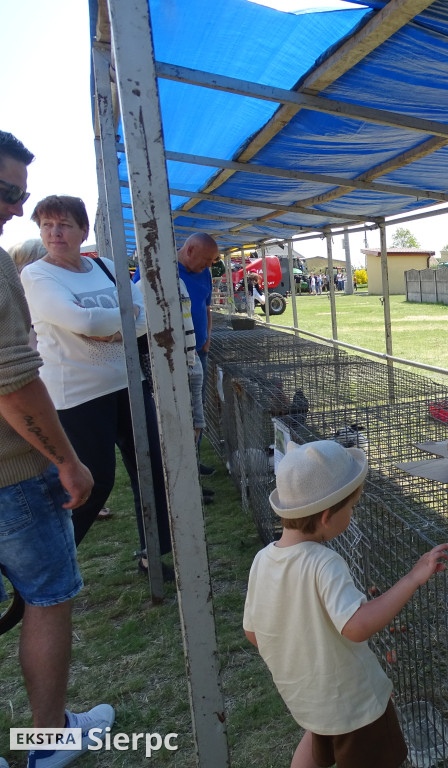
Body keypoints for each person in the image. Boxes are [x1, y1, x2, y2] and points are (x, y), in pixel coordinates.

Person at [0, 129, 115, 768]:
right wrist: (65, 459)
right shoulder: (14, 270)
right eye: (7, 194)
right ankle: (47, 742)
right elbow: (13, 380)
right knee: (46, 596)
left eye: (20, 195)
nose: (16, 209)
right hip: (10, 472)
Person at [243, 440, 448, 768]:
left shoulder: (262, 560)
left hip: (308, 699)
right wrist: (412, 579)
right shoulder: (323, 563)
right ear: (327, 517)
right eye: (351, 508)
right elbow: (356, 626)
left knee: (315, 741)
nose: (353, 515)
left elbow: (253, 633)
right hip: (355, 706)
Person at [20, 195, 175, 579]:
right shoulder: (38, 275)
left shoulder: (106, 267)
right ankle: (51, 563)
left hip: (129, 385)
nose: (55, 233)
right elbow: (81, 321)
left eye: (64, 225)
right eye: (47, 225)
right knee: (96, 479)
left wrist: (114, 326)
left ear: (82, 231)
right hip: (78, 395)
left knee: (152, 469)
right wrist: (120, 323)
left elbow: (147, 315)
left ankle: (153, 553)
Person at [134, 232, 218, 479]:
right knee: (175, 415)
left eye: (212, 261)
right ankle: (178, 471)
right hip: (169, 359)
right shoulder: (155, 270)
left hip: (197, 352)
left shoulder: (203, 274)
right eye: (206, 259)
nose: (208, 265)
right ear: (189, 249)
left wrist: (207, 339)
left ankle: (193, 462)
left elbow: (206, 306)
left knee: (196, 412)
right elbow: (139, 310)